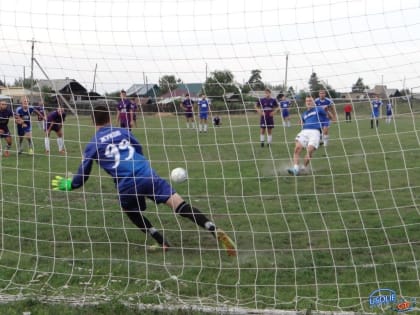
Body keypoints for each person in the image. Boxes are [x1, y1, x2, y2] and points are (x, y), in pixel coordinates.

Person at [51, 105, 237, 256]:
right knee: (180, 205)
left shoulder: (92, 145)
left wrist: (70, 184)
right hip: (147, 174)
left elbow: (82, 177)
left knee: (131, 211)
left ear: (93, 121)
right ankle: (212, 227)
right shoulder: (122, 131)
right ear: (109, 117)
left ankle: (162, 242)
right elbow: (138, 147)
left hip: (126, 184)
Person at [287, 96, 333, 176]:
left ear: (313, 102)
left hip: (315, 132)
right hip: (304, 131)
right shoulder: (304, 114)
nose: (308, 102)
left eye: (310, 101)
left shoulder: (318, 109)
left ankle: (303, 168)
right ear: (305, 103)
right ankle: (295, 168)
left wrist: (327, 111)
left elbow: (330, 117)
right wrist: (300, 121)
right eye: (307, 101)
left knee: (310, 150)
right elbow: (301, 122)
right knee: (297, 148)